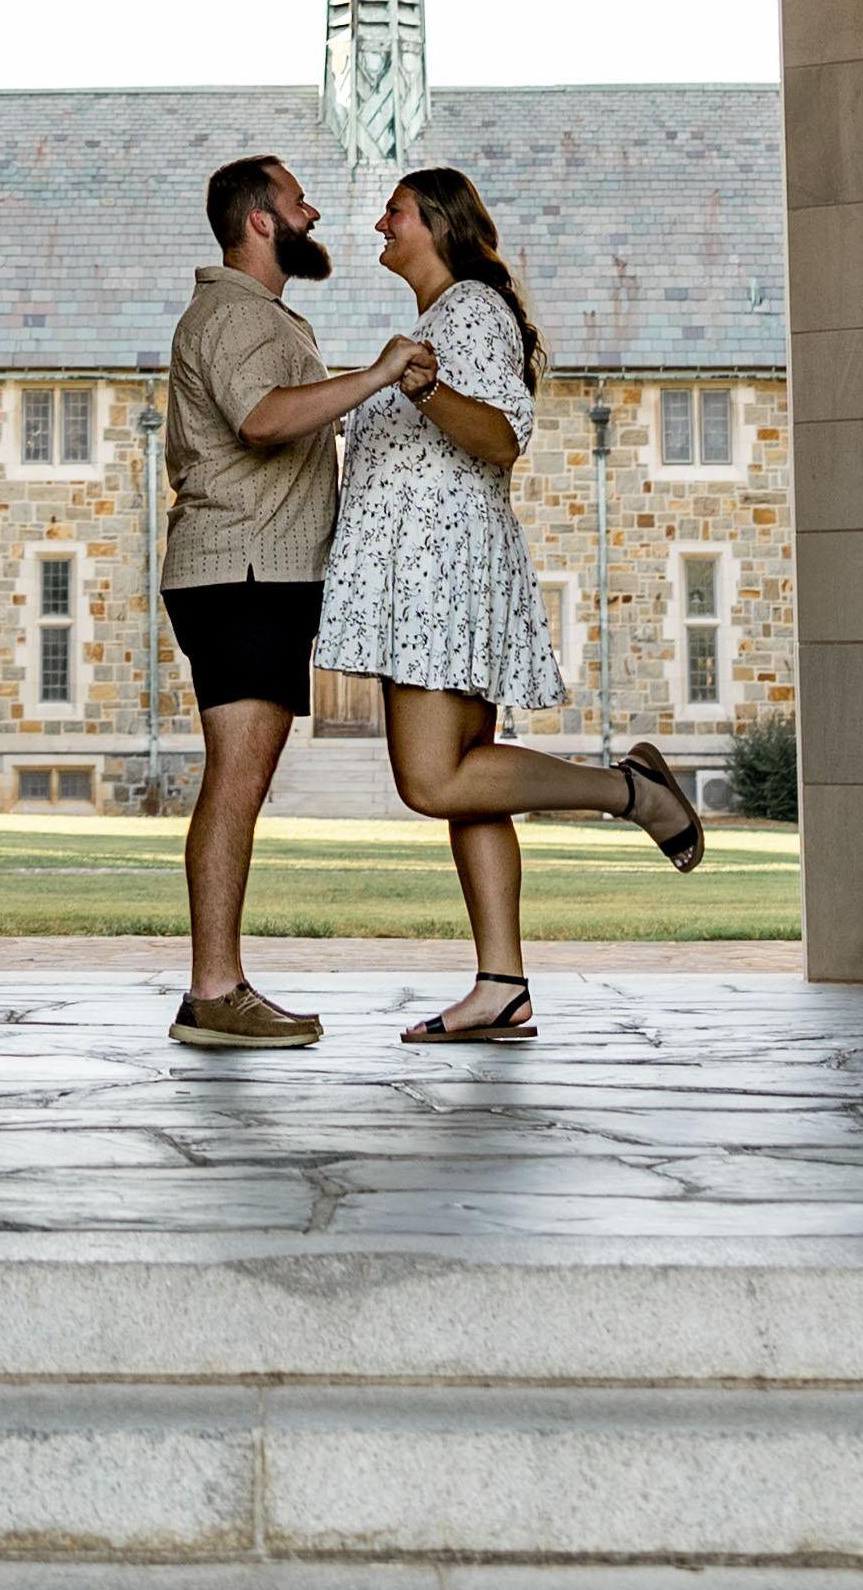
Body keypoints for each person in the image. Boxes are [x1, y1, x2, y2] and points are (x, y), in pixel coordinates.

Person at [310, 162, 709, 1043]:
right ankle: (502, 986)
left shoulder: (473, 312)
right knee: (471, 785)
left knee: (432, 780)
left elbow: (498, 438)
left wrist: (419, 387)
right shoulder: (437, 322)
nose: (380, 224)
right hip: (423, 578)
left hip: (441, 576)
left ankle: (631, 792)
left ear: (440, 224)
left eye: (396, 211)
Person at [152, 147, 432, 1050]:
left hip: (252, 578)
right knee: (236, 784)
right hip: (242, 579)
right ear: (261, 220)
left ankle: (217, 988)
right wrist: (377, 374)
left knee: (239, 782)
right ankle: (213, 992)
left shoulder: (257, 314)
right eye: (300, 202)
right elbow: (263, 419)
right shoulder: (236, 313)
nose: (314, 215)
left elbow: (284, 411)